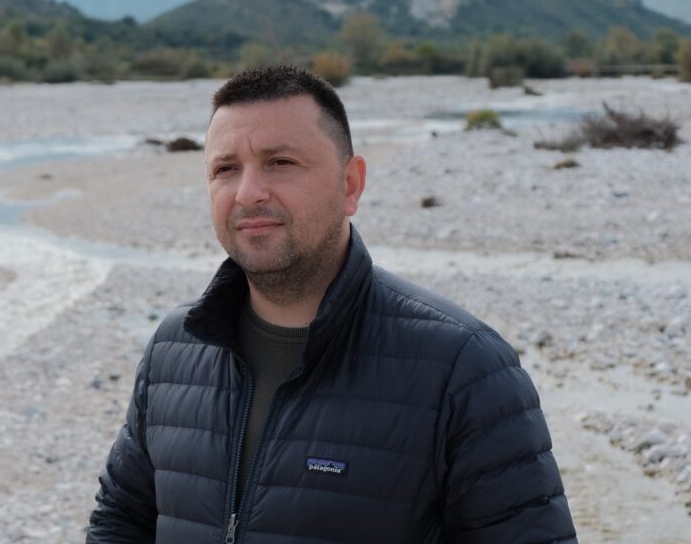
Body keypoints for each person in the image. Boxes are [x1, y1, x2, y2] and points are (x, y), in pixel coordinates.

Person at [87, 65, 577, 543]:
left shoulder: (463, 368)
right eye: (225, 169)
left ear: (350, 185)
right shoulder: (176, 348)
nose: (248, 192)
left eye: (280, 162)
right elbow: (121, 518)